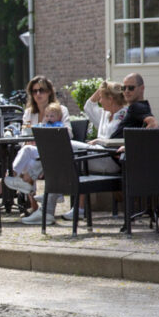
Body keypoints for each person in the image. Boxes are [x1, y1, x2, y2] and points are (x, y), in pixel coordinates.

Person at [4, 76, 70, 223]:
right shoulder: (29, 112)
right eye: (34, 91)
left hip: (53, 153)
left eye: (42, 90)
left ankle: (14, 178)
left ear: (49, 92)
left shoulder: (60, 110)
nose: (38, 94)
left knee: (29, 155)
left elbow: (68, 133)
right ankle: (34, 206)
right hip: (34, 151)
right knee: (27, 153)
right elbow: (24, 134)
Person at [61, 81, 129, 220]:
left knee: (66, 145)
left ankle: (59, 194)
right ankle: (78, 208)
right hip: (97, 155)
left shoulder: (125, 116)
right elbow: (88, 106)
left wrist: (98, 141)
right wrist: (102, 88)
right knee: (72, 158)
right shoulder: (104, 114)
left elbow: (118, 142)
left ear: (110, 99)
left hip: (110, 159)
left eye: (102, 97)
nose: (99, 100)